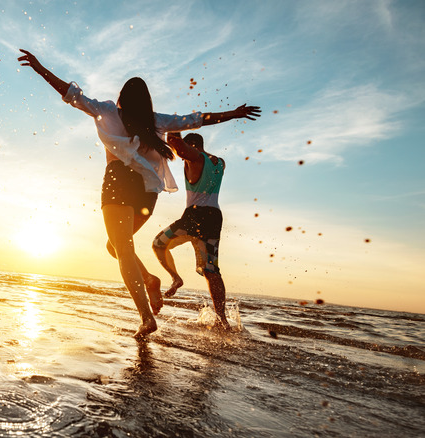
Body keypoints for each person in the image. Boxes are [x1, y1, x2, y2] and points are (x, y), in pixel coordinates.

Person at [18, 49, 259, 338]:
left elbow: (72, 95)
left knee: (123, 250)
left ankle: (147, 317)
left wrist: (39, 68)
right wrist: (233, 114)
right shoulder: (156, 120)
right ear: (147, 101)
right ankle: (149, 279)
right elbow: (195, 119)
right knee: (117, 247)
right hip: (147, 193)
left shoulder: (108, 111)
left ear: (121, 97)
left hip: (119, 183)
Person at [153, 132, 230, 329]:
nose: (181, 157)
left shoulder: (195, 157)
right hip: (214, 217)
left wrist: (174, 126)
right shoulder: (220, 162)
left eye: (185, 151)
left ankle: (176, 278)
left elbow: (178, 147)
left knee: (158, 244)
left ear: (193, 146)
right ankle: (223, 320)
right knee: (211, 270)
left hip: (194, 216)